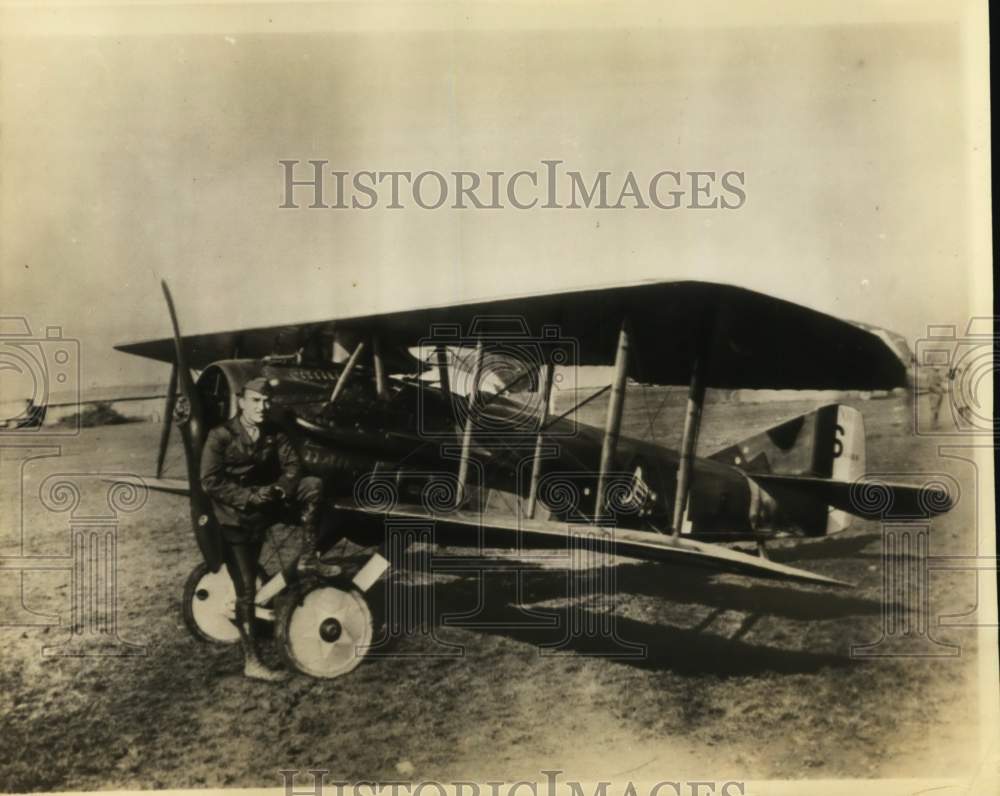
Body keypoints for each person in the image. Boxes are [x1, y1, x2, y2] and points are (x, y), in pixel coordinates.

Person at [200, 376, 338, 681]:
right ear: (241, 402)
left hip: (268, 503)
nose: (262, 407)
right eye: (255, 401)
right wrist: (249, 497)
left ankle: (308, 557)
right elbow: (210, 481)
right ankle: (252, 661)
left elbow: (293, 468)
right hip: (236, 517)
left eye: (266, 401)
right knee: (247, 590)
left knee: (312, 485)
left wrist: (280, 489)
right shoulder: (220, 436)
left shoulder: (274, 431)